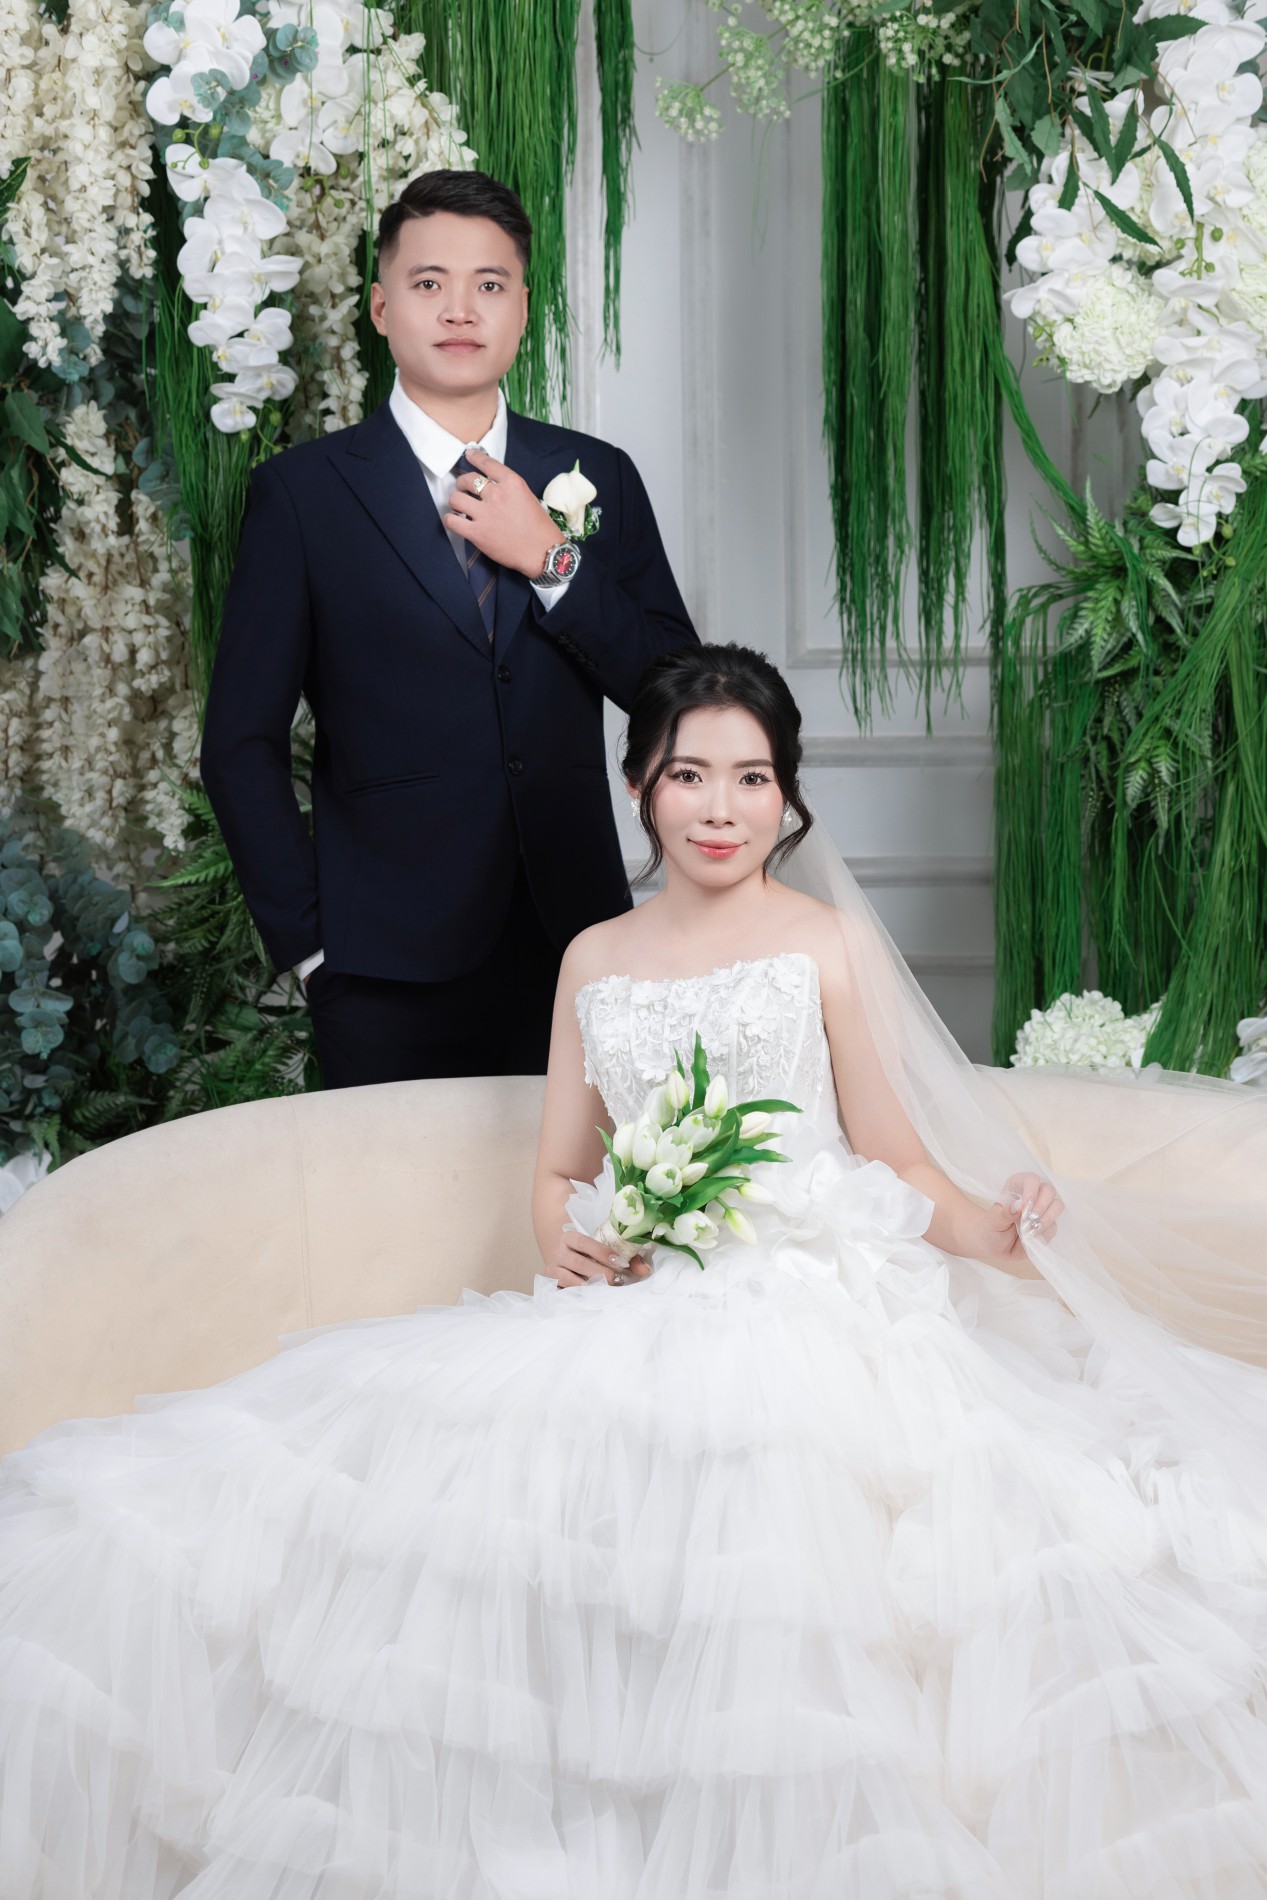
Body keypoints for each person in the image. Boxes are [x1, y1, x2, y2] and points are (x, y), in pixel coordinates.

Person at [3, 644, 1267, 1897]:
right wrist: (563, 1230)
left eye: (752, 778)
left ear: (786, 796)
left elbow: (895, 1157)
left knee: (790, 1532)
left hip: (812, 1300)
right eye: (688, 775)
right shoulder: (595, 958)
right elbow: (560, 1169)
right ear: (638, 788)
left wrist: (996, 1225)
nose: (721, 807)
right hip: (636, 1302)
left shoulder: (826, 944)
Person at [200, 169, 696, 1089]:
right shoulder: (304, 496)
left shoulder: (599, 474)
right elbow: (239, 744)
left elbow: (679, 694)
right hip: (379, 967)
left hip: (579, 945)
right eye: (429, 283)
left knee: (581, 1185)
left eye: (489, 284)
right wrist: (310, 949)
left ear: (523, 310)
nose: (460, 309)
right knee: (395, 1187)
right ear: (381, 307)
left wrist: (552, 559)